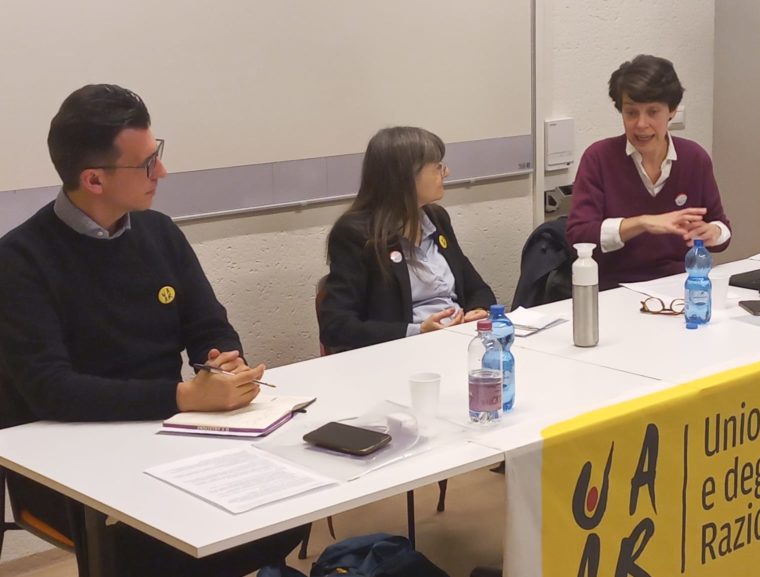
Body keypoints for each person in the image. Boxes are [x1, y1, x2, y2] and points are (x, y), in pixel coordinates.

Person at [0, 84, 303, 576]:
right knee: (164, 550)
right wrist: (182, 396)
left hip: (170, 436)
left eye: (156, 154)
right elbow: (52, 390)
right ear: (94, 180)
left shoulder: (159, 232)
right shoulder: (20, 261)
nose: (161, 172)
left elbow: (209, 323)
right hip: (74, 461)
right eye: (146, 164)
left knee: (284, 511)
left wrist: (223, 361)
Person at [319, 126, 496, 353]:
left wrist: (479, 310)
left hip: (456, 344)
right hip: (400, 355)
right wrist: (417, 331)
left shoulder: (437, 219)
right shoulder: (355, 234)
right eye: (437, 167)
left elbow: (478, 288)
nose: (446, 172)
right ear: (406, 176)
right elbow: (336, 325)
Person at [566, 54, 732, 288]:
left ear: (672, 111)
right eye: (631, 113)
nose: (641, 124)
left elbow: (722, 229)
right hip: (613, 289)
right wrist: (642, 223)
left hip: (678, 285)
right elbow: (579, 236)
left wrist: (713, 232)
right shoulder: (599, 158)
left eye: (653, 112)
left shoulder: (694, 158)